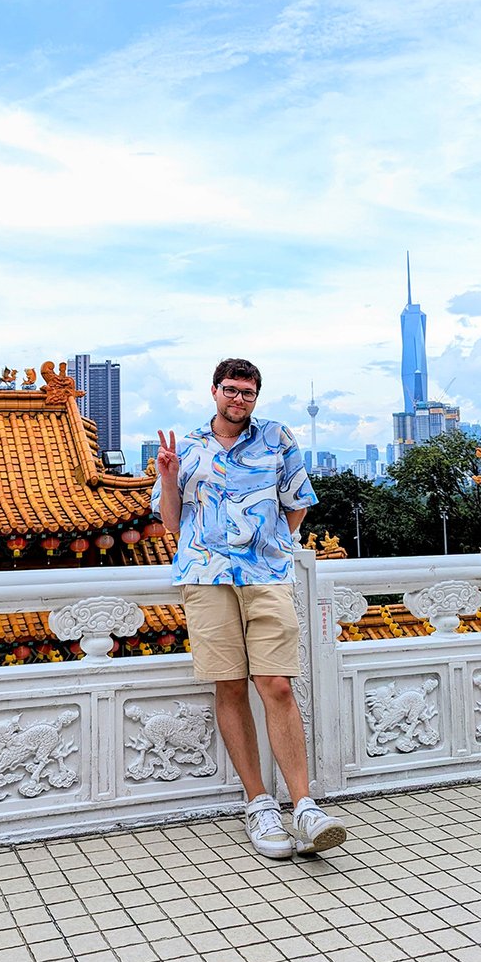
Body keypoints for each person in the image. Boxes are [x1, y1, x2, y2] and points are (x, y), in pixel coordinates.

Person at [152, 357, 347, 859]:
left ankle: (303, 805)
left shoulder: (277, 438)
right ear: (213, 391)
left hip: (266, 575)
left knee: (277, 684)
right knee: (230, 685)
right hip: (206, 575)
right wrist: (169, 477)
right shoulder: (188, 447)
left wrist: (275, 541)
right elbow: (172, 523)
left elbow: (298, 501)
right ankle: (258, 803)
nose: (239, 399)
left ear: (256, 398)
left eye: (248, 393)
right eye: (231, 390)